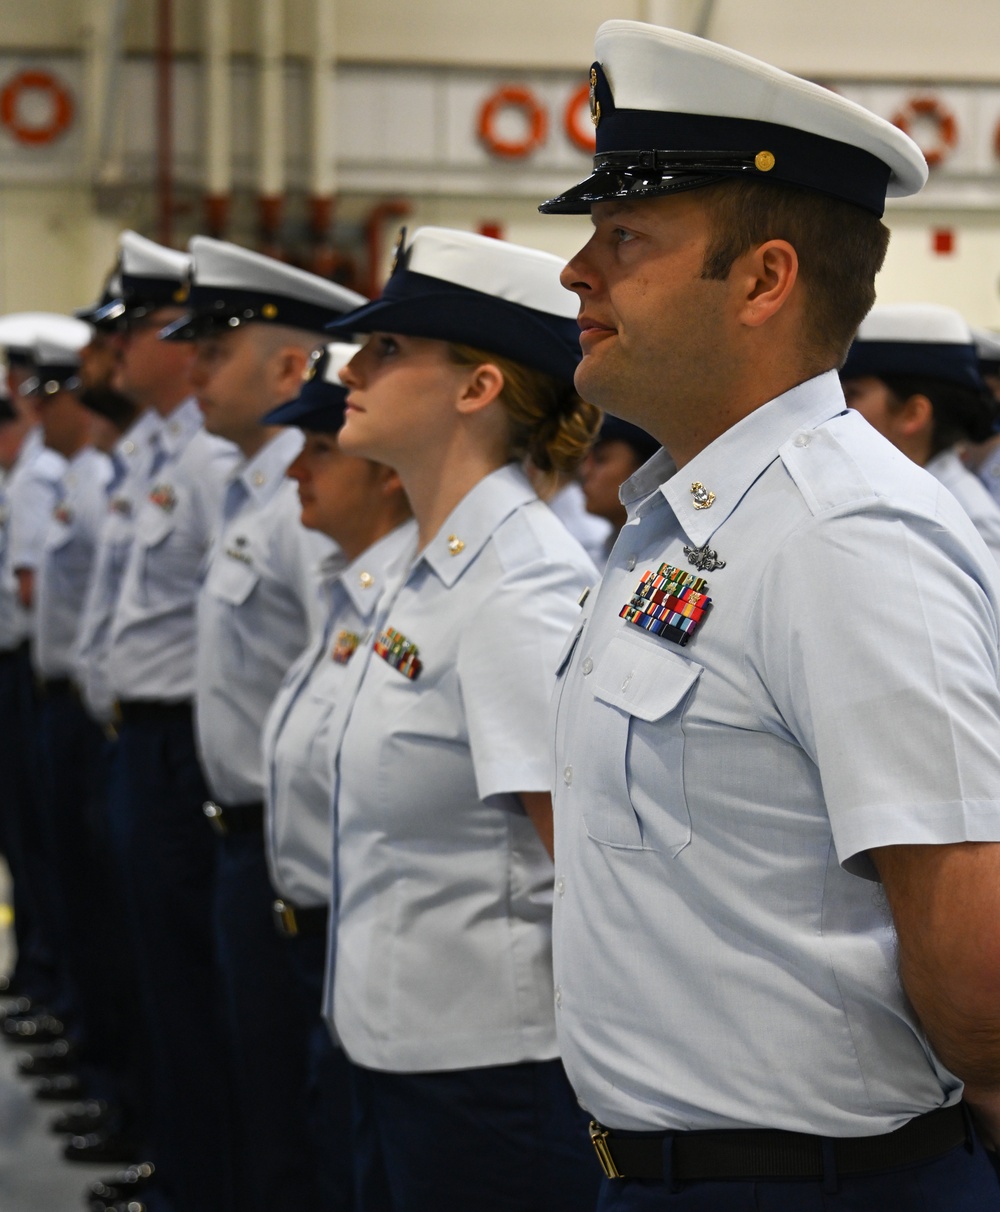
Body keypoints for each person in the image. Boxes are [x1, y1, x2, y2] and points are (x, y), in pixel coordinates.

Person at [538, 19, 1000, 1210]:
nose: (575, 272)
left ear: (762, 279)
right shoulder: (686, 522)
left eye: (623, 237)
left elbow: (971, 957)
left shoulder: (845, 538)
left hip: (809, 1183)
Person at [321, 225, 603, 1212]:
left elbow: (584, 862)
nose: (350, 368)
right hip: (397, 1046)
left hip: (490, 1080)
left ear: (478, 388)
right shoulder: (433, 564)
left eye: (389, 349)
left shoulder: (518, 589)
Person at [159, 235, 365, 1212]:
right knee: (258, 1092)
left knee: (298, 1120)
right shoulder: (259, 488)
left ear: (290, 365)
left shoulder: (308, 501)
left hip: (302, 856)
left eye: (215, 350)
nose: (191, 370)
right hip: (247, 838)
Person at [260, 341, 415, 1211]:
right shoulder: (351, 588)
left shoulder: (438, 597)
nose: (297, 470)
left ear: (386, 473)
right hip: (330, 938)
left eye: (322, 447)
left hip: (401, 973)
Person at [840, 303, 1000, 562]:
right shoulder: (902, 493)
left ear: (913, 413)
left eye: (852, 394)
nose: (840, 408)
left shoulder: (969, 522)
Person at [580, 415, 659, 564]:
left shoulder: (668, 553)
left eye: (601, 459)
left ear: (644, 469)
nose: (585, 472)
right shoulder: (595, 556)